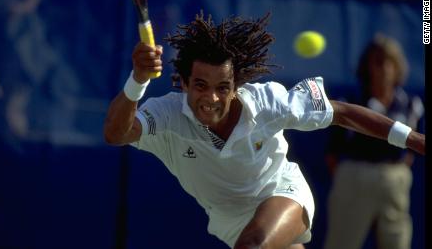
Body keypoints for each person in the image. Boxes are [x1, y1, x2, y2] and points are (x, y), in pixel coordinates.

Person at [103, 13, 425, 249]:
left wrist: (411, 138)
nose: (211, 98)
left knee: (254, 245)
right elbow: (116, 133)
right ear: (184, 83)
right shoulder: (167, 114)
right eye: (200, 85)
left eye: (222, 87)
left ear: (236, 87)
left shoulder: (268, 102)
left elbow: (341, 113)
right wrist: (139, 80)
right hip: (229, 221)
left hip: (281, 193)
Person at [323, 33, 424, 249]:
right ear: (367, 67)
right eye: (377, 61)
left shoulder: (411, 104)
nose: (384, 68)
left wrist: (395, 174)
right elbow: (333, 150)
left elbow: (414, 147)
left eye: (389, 61)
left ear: (398, 67)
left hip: (394, 180)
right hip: (354, 177)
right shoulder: (350, 102)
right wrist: (352, 175)